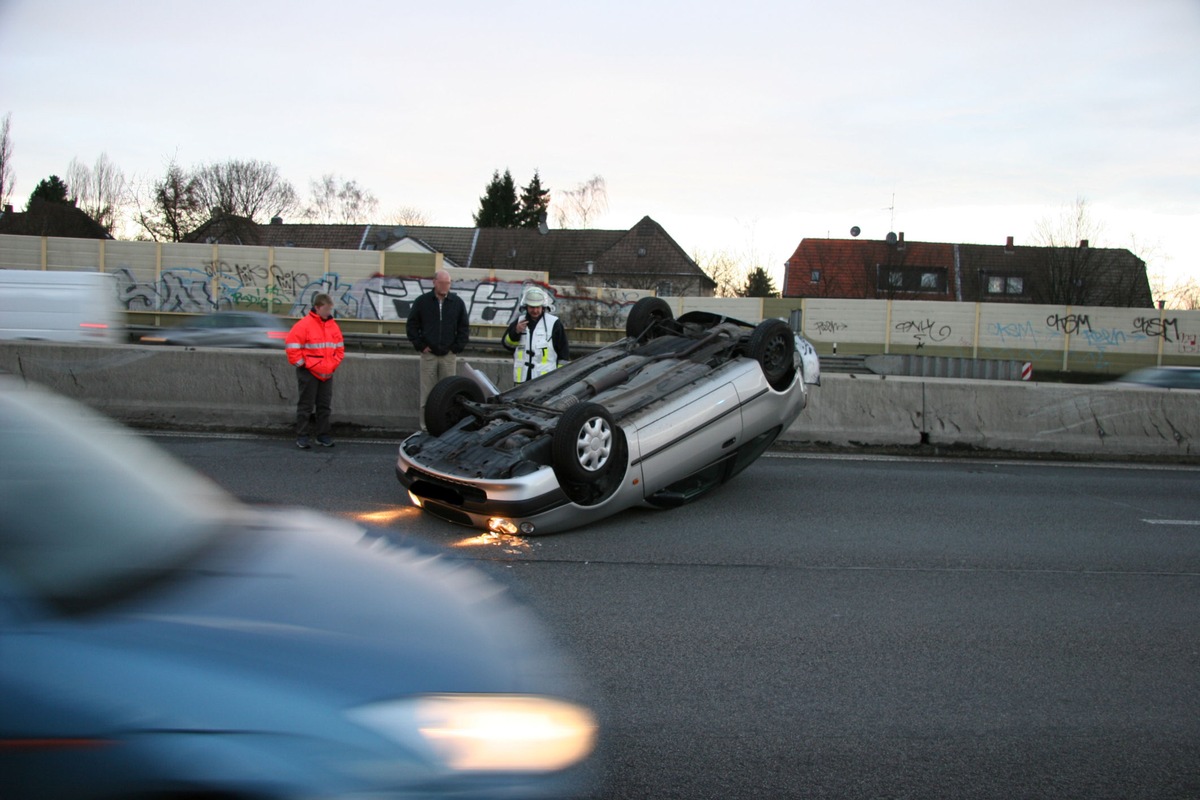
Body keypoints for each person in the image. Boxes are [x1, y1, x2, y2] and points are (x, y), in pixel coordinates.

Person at [407, 269, 470, 428]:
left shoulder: (457, 302)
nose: (444, 286)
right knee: (427, 395)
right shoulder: (422, 301)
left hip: (449, 355)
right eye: (441, 283)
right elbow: (412, 325)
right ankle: (425, 428)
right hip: (429, 355)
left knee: (448, 393)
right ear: (434, 283)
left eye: (447, 283)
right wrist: (420, 345)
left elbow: (464, 327)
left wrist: (457, 347)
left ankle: (445, 426)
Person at [285, 293, 344, 449]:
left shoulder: (332, 325)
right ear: (317, 307)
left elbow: (339, 348)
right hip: (309, 372)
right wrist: (303, 365)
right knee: (306, 405)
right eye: (326, 309)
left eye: (330, 309)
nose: (329, 312)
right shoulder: (304, 325)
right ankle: (302, 436)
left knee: (324, 406)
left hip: (326, 372)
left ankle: (322, 435)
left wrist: (332, 365)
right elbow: (292, 347)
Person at [503, 286, 570, 384]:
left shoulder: (554, 323)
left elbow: (563, 353)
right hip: (521, 380)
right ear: (526, 307)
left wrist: (558, 377)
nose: (535, 311)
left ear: (543, 307)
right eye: (532, 307)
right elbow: (507, 345)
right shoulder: (519, 322)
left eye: (538, 307)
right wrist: (516, 332)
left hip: (545, 381)